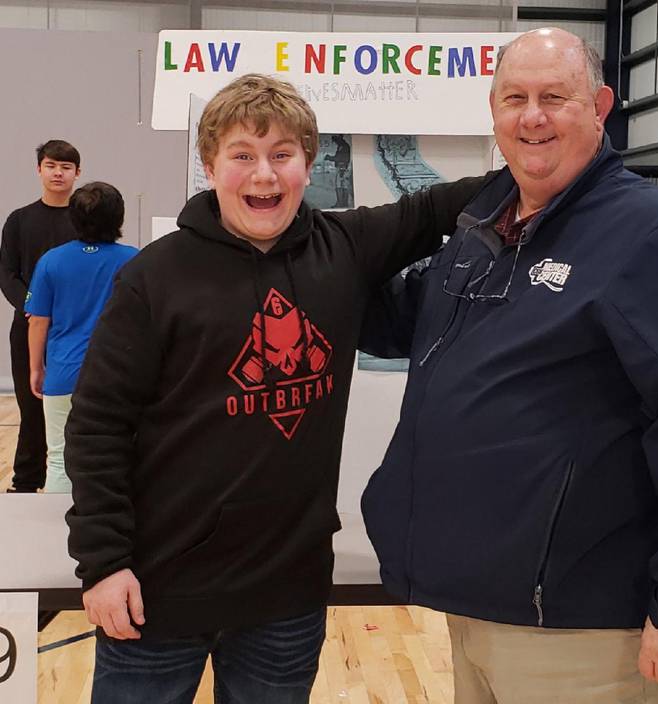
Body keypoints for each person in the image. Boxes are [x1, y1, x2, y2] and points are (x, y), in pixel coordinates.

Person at [360, 28, 658, 704]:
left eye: (555, 96)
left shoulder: (652, 241)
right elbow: (401, 319)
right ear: (493, 110)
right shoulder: (484, 231)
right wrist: (294, 261)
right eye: (514, 97)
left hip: (588, 627)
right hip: (482, 605)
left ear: (600, 106)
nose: (533, 116)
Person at [63, 74, 487, 703]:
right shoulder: (153, 279)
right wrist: (104, 564)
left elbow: (439, 207)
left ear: (306, 165)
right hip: (157, 592)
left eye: (282, 155)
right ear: (210, 166)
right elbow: (97, 425)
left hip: (286, 600)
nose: (264, 175)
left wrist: (552, 159)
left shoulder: (342, 248)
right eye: (243, 156)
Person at [25, 182, 137, 494]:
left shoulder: (51, 261)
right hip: (117, 377)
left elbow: (38, 322)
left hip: (62, 374)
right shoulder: (135, 260)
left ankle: (58, 538)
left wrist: (36, 368)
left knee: (60, 458)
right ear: (119, 218)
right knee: (120, 456)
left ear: (72, 218)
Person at [0, 139, 80, 493]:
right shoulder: (19, 220)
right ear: (39, 170)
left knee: (76, 410)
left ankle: (77, 483)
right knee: (31, 408)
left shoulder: (85, 219)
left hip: (74, 328)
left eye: (65, 167)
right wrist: (33, 307)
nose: (58, 172)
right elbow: (7, 273)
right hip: (29, 326)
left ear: (77, 173)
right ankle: (25, 481)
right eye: (51, 165)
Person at [324, 134, 352, 208]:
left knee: (339, 185)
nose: (335, 142)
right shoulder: (343, 146)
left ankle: (340, 204)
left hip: (342, 168)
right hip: (343, 167)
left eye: (335, 140)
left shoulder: (343, 146)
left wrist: (329, 157)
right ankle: (343, 204)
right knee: (343, 186)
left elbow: (339, 158)